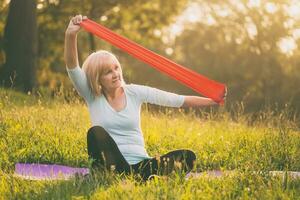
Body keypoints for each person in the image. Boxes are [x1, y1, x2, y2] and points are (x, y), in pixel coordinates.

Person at [64, 15, 225, 181]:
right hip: (112, 165)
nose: (116, 74)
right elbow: (72, 67)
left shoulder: (134, 92)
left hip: (142, 165)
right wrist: (71, 35)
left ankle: (137, 178)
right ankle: (127, 177)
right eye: (108, 72)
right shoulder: (92, 97)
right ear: (97, 78)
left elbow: (176, 100)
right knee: (95, 133)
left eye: (116, 68)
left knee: (187, 157)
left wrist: (212, 101)